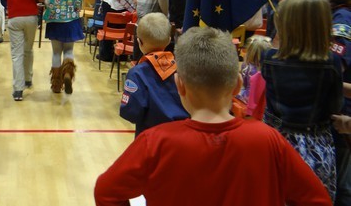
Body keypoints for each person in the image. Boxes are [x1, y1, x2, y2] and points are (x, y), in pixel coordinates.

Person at [94, 26, 332, 206]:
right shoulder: (269, 140)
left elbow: (105, 191)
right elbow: (317, 199)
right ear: (238, 85)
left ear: (180, 86)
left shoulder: (155, 142)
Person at [261, 0, 343, 200]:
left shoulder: (269, 58)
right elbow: (335, 106)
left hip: (275, 141)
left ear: (286, 24)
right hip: (316, 142)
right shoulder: (331, 62)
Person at [308, 0, 351, 206]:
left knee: (342, 187)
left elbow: (332, 72)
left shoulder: (342, 21)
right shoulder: (328, 13)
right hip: (334, 114)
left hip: (341, 119)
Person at [119, 13, 188, 138]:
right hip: (182, 138)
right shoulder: (184, 69)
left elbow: (130, 113)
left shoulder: (137, 74)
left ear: (139, 42)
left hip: (150, 140)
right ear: (169, 40)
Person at [44, 0, 84, 94]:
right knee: (69, 50)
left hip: (55, 19)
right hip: (72, 19)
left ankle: (56, 84)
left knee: (56, 52)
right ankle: (67, 73)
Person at [5, 0, 39, 101]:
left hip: (14, 17)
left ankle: (18, 89)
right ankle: (28, 78)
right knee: (28, 49)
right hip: (31, 17)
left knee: (16, 54)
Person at [238, 35, 271, 120]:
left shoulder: (246, 66)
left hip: (248, 99)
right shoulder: (270, 69)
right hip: (266, 102)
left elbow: (244, 84)